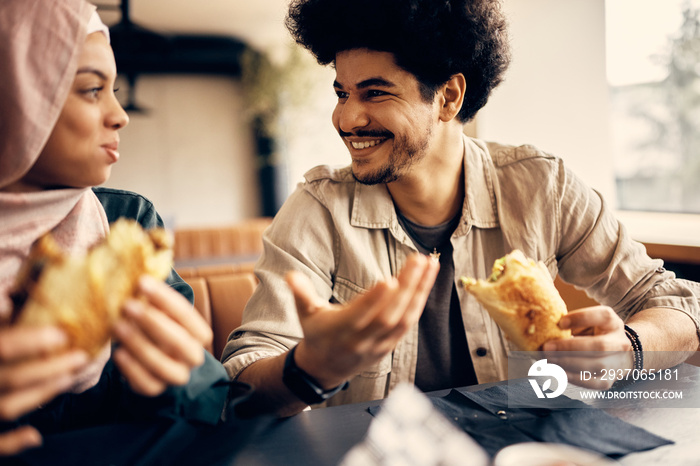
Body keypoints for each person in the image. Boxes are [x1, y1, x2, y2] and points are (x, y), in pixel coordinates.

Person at [222, 0, 700, 417]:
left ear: (449, 96)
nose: (346, 118)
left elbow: (678, 302)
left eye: (375, 92)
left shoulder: (541, 185)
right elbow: (238, 388)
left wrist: (629, 350)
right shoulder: (316, 210)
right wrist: (307, 369)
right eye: (342, 92)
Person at [0, 0, 232, 457]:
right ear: (16, 97)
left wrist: (181, 378)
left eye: (115, 90)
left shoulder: (129, 224)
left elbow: (209, 410)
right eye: (91, 90)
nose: (120, 115)